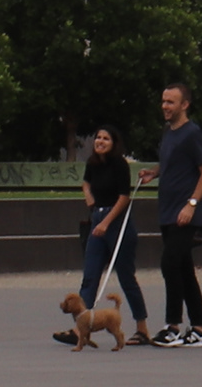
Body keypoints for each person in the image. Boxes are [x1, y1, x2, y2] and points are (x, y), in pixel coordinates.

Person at [58, 126, 150, 348]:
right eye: (98, 137)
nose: (100, 141)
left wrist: (106, 222)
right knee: (90, 276)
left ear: (114, 143)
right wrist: (89, 199)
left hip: (117, 222)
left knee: (126, 277)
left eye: (106, 138)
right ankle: (80, 329)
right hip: (97, 217)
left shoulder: (119, 164)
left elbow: (124, 197)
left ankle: (142, 328)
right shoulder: (92, 163)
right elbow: (86, 183)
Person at [157, 83, 202, 350]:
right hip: (167, 211)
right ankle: (199, 328)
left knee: (170, 264)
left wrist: (191, 204)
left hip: (184, 213)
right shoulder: (168, 132)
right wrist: (154, 172)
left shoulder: (192, 134)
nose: (165, 106)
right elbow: (173, 163)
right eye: (164, 101)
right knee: (183, 269)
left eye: (171, 102)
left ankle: (173, 327)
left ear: (185, 105)